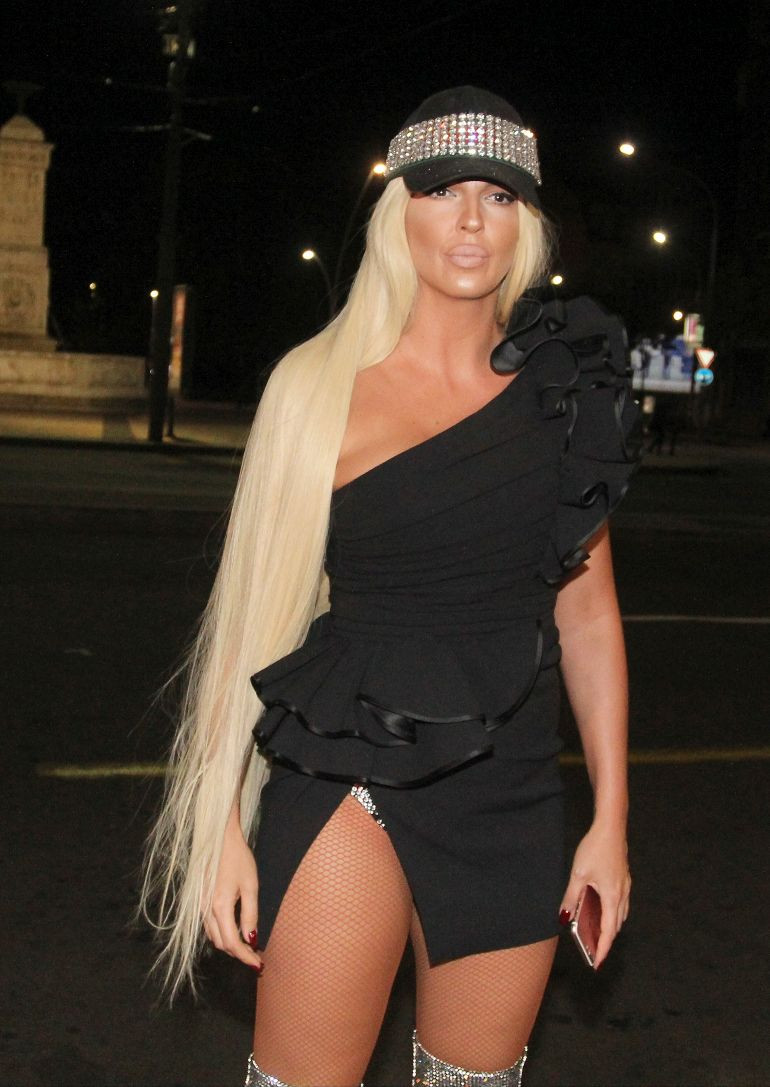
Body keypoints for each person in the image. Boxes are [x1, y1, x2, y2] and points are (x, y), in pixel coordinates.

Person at [140, 86, 642, 1086]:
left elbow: (587, 619)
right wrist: (219, 824)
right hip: (350, 772)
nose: (470, 221)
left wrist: (610, 821)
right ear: (395, 212)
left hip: (509, 789)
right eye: (442, 191)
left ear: (528, 223)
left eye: (498, 196)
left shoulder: (565, 393)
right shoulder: (316, 387)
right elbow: (251, 621)